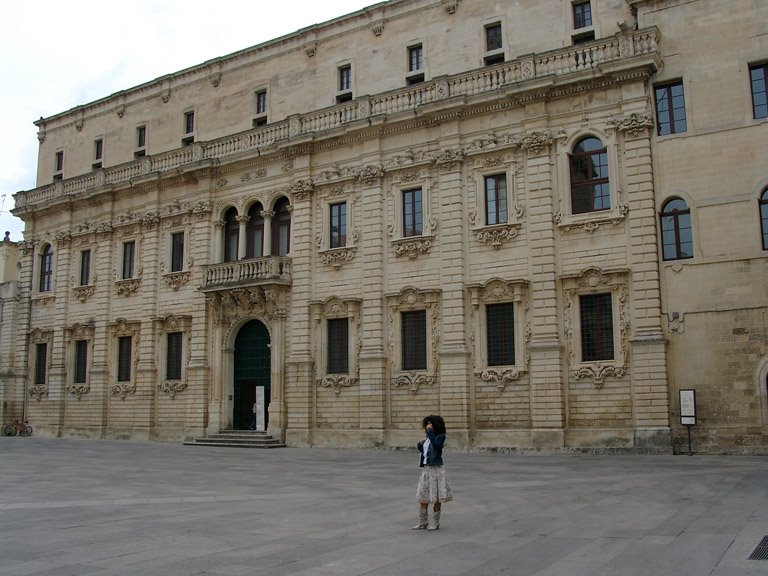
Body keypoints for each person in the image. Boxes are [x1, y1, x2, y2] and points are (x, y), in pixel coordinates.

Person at [412, 414, 452, 531]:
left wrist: (430, 433)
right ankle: (423, 521)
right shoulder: (428, 438)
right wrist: (420, 445)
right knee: (423, 496)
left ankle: (435, 522)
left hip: (436, 470)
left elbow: (438, 446)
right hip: (426, 470)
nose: (428, 426)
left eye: (430, 424)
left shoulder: (440, 436)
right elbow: (425, 452)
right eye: (427, 424)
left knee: (436, 497)